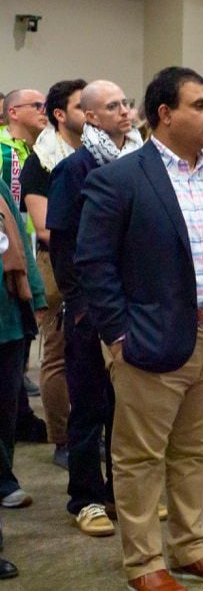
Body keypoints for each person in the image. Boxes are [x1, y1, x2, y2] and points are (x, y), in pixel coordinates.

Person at [75, 66, 203, 590]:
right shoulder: (120, 178)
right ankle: (144, 563)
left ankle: (190, 546)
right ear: (164, 114)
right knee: (139, 458)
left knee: (197, 453)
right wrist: (120, 335)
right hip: (150, 340)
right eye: (199, 106)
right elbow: (94, 265)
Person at [47, 79, 143, 538]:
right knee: (88, 408)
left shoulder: (143, 164)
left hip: (133, 306)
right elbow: (64, 248)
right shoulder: (75, 169)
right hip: (90, 308)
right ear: (89, 117)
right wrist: (82, 308)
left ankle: (117, 493)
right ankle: (84, 497)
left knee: (126, 410)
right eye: (112, 106)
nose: (124, 111)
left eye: (126, 103)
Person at [21, 78, 87, 469]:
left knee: (94, 356)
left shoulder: (97, 154)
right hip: (57, 262)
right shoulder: (41, 161)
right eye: (82, 107)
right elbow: (45, 226)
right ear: (60, 115)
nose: (91, 114)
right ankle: (62, 437)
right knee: (59, 355)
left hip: (95, 261)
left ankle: (88, 431)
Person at [0, 170, 46, 512]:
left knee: (5, 411)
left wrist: (38, 295)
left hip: (8, 317)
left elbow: (22, 248)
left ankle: (4, 479)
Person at [1, 89, 48, 205]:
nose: (45, 111)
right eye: (37, 106)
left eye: (47, 106)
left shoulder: (51, 150)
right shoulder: (2, 150)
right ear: (13, 113)